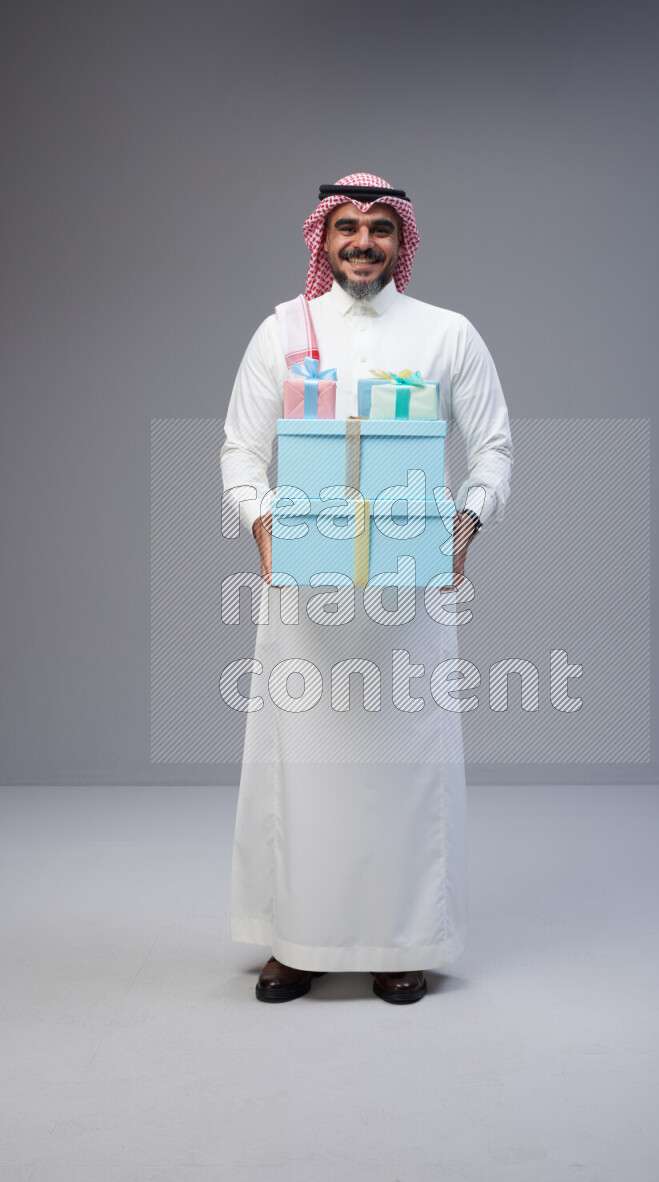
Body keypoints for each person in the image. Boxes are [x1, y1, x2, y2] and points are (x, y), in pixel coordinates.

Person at [220, 173, 512, 1004]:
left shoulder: (446, 335)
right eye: (347, 226)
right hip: (305, 600)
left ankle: (402, 940)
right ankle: (296, 943)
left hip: (406, 599)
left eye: (381, 229)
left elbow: (493, 447)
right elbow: (240, 451)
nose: (362, 243)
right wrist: (262, 522)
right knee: (301, 768)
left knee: (403, 768)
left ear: (402, 240)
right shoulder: (283, 331)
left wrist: (467, 523)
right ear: (323, 236)